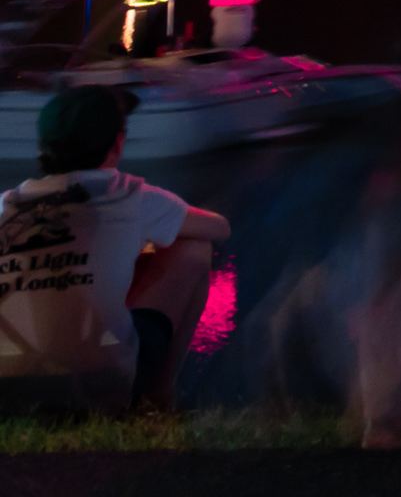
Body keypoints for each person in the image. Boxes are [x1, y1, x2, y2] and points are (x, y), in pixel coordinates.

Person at [0, 87, 231, 415]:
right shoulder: (128, 195)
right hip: (95, 390)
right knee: (194, 249)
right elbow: (219, 228)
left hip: (6, 394)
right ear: (117, 143)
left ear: (42, 145)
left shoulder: (6, 204)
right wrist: (139, 241)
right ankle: (159, 398)